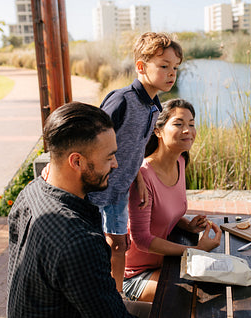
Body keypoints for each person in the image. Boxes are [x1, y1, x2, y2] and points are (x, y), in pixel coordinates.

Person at [7, 102, 135, 317]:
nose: (116, 164)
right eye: (109, 157)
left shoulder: (30, 193)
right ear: (76, 161)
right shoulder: (78, 241)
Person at [87, 32, 184, 293]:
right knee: (94, 246)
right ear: (141, 67)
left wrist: (137, 177)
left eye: (175, 67)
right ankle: (95, 294)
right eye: (164, 66)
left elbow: (137, 148)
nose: (171, 73)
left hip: (120, 190)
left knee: (120, 245)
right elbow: (91, 139)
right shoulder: (122, 100)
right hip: (97, 189)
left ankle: (116, 296)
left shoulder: (154, 107)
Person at [123, 99, 222, 302]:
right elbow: (141, 239)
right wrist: (196, 251)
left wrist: (187, 225)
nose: (188, 130)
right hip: (137, 275)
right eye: (178, 124)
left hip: (167, 263)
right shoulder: (143, 177)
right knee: (196, 299)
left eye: (191, 124)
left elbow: (161, 212)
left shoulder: (180, 161)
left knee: (218, 283)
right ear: (158, 131)